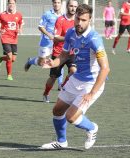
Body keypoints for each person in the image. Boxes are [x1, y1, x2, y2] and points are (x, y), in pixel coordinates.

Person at [40, 4, 110, 149]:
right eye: (78, 19)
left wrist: (91, 93)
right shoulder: (71, 33)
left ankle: (92, 128)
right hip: (76, 78)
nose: (79, 22)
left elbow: (105, 68)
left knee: (71, 116)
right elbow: (65, 54)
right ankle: (61, 142)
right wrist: (53, 63)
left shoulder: (94, 39)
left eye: (84, 20)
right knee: (57, 110)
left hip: (91, 83)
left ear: (89, 20)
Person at [24, 0, 62, 100]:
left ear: (61, 4)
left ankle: (60, 85)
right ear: (52, 3)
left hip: (57, 43)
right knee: (42, 63)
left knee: (58, 62)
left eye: (58, 2)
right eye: (55, 2)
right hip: (46, 42)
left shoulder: (63, 16)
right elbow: (40, 27)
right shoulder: (47, 14)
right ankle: (31, 61)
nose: (56, 4)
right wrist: (49, 35)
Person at [42, 0, 78, 103]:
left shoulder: (77, 20)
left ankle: (63, 85)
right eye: (71, 6)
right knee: (53, 77)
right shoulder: (60, 20)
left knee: (73, 72)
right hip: (59, 53)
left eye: (75, 6)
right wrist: (69, 38)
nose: (73, 8)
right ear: (67, 6)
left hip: (72, 53)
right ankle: (46, 93)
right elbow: (56, 37)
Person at [0, 0, 23, 81]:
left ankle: (1, 58)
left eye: (13, 3)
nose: (11, 5)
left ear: (15, 4)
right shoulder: (2, 15)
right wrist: (0, 30)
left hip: (14, 39)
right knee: (10, 57)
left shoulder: (19, 15)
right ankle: (9, 75)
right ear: (8, 4)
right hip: (5, 38)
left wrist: (20, 29)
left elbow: (21, 23)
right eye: (10, 3)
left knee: (13, 59)